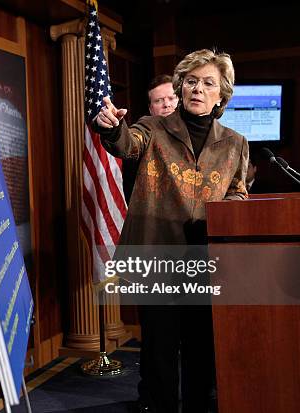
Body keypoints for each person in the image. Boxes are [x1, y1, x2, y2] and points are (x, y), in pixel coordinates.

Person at [95, 49, 248, 413]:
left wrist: (228, 210)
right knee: (160, 354)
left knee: (202, 352)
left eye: (208, 83)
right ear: (180, 88)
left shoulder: (235, 143)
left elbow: (237, 191)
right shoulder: (153, 127)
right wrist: (113, 127)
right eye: (191, 81)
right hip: (157, 257)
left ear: (221, 95)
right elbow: (125, 144)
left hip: (205, 263)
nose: (198, 88)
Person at [123, 75, 179, 202]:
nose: (166, 105)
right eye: (158, 100)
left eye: (172, 98)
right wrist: (113, 130)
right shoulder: (143, 133)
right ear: (150, 109)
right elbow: (127, 143)